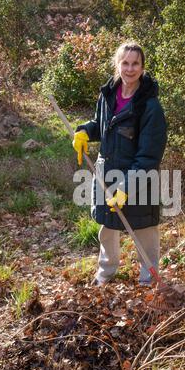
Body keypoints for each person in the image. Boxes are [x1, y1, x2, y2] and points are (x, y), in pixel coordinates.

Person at [73, 42, 167, 286]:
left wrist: (127, 188)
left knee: (144, 232)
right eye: (125, 62)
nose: (130, 68)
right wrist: (84, 131)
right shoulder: (108, 95)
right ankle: (106, 274)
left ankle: (149, 281)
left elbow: (149, 157)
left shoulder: (150, 106)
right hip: (107, 174)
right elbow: (101, 124)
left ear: (143, 67)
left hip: (139, 179)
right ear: (117, 64)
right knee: (108, 229)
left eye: (135, 63)